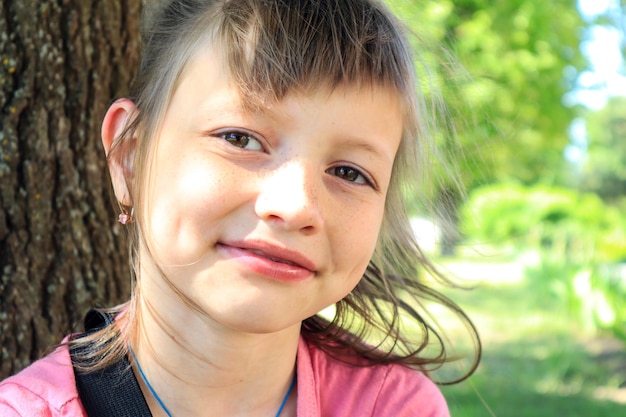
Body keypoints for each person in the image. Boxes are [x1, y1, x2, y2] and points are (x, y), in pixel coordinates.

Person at [0, 0, 480, 416]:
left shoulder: (395, 408)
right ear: (130, 157)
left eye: (349, 173)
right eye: (240, 138)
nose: (295, 207)